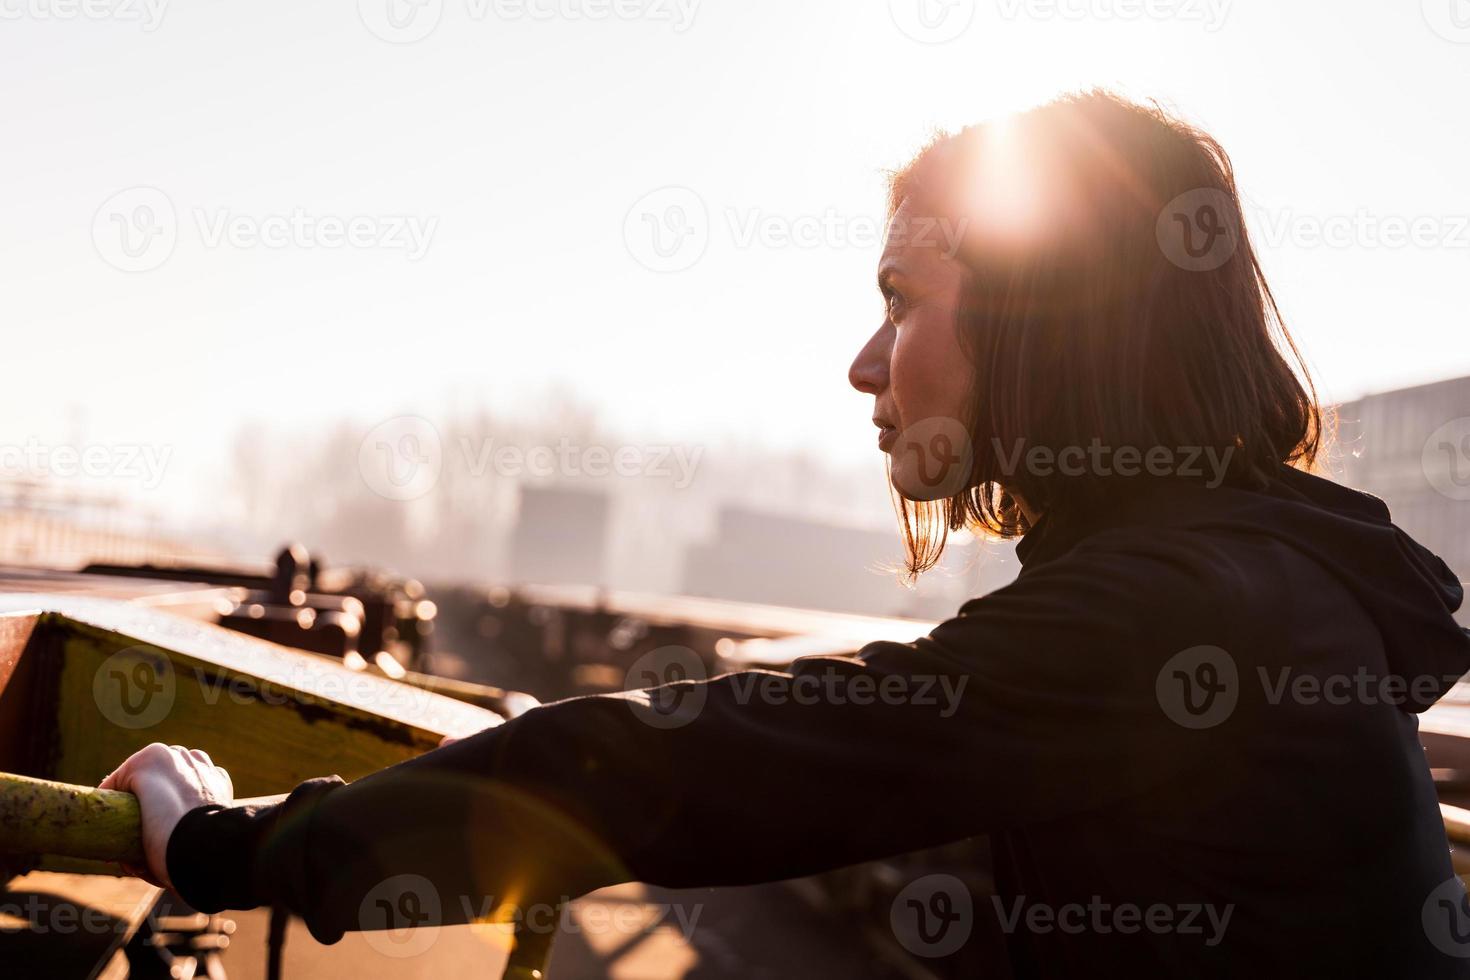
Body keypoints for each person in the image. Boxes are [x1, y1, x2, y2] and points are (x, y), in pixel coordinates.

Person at [101, 91, 1470, 977]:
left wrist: (231, 846)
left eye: (901, 299)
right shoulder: (1240, 570)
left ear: (1049, 325)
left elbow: (692, 765)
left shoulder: (1182, 603)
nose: (865, 364)